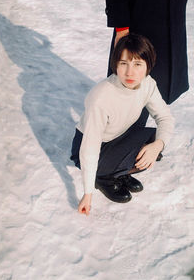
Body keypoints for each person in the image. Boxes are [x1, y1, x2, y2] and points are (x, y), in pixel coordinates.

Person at [70, 34, 174, 216]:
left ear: (148, 66)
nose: (130, 72)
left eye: (137, 64)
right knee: (145, 150)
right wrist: (88, 194)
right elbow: (90, 147)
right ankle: (103, 178)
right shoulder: (101, 97)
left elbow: (165, 117)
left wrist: (157, 145)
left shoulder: (148, 84)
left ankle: (118, 171)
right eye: (124, 63)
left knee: (155, 141)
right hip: (89, 147)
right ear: (115, 65)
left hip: (117, 137)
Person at [105, 0, 189, 125]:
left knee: (159, 85)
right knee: (128, 90)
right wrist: (121, 27)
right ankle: (116, 144)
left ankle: (135, 140)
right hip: (141, 13)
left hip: (170, 11)